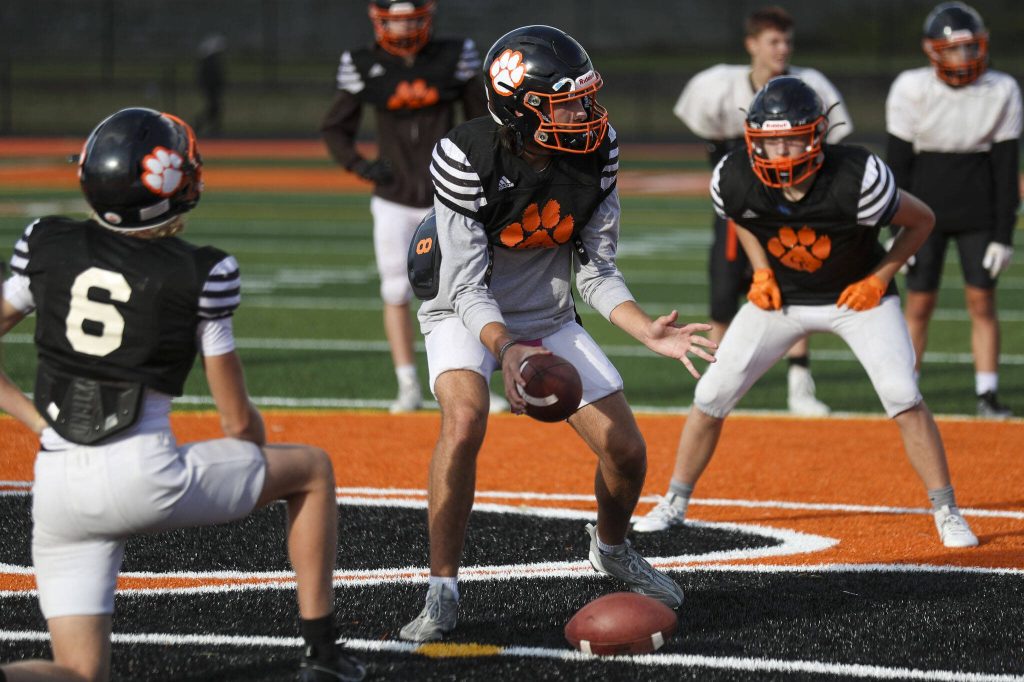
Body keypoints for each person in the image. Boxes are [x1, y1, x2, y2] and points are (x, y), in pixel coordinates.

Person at [0, 109, 365, 682]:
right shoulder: (203, 270)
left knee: (76, 673)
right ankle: (324, 655)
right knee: (312, 470)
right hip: (146, 475)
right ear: (176, 183)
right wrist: (253, 458)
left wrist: (35, 422)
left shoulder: (44, 241)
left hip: (56, 487)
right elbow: (236, 421)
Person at [397, 25, 718, 643]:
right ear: (521, 108)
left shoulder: (599, 150)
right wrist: (507, 349)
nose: (584, 112)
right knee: (464, 420)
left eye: (585, 97)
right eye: (566, 101)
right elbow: (464, 288)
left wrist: (645, 330)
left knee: (626, 451)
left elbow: (596, 272)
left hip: (544, 314)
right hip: (464, 311)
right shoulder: (465, 154)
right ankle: (441, 590)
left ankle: (612, 547)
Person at [632, 77, 978, 549]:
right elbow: (742, 215)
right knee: (712, 393)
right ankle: (674, 500)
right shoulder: (734, 175)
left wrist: (879, 277)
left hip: (856, 299)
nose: (780, 152)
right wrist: (760, 271)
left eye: (792, 138)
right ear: (752, 139)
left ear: (817, 135)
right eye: (770, 141)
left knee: (902, 393)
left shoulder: (856, 176)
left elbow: (922, 220)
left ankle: (946, 509)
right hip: (782, 302)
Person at [671, 5, 854, 417]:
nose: (783, 48)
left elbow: (833, 146)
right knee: (722, 297)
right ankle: (716, 387)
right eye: (774, 40)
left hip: (790, 211)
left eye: (787, 40)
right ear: (752, 44)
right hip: (737, 212)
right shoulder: (721, 87)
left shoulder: (810, 87)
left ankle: (800, 385)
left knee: (793, 294)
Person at [321, 0, 500, 414]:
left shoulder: (455, 55)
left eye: (411, 21)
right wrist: (360, 165)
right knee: (396, 290)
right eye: (395, 22)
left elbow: (482, 118)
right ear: (379, 22)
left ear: (427, 18)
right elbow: (334, 126)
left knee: (471, 287)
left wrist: (481, 169)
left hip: (450, 194)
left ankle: (480, 383)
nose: (403, 30)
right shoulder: (363, 62)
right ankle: (407, 384)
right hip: (393, 198)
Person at [885, 2, 1021, 418]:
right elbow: (897, 167)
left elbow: (1005, 168)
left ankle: (987, 394)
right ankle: (905, 392)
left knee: (982, 302)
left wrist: (1003, 234)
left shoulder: (1002, 88)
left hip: (978, 210)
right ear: (933, 51)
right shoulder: (911, 88)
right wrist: (892, 228)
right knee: (919, 304)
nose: (963, 58)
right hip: (920, 212)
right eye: (954, 49)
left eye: (969, 48)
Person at [194, 33, 227, 137]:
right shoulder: (209, 61)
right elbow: (210, 76)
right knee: (213, 109)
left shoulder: (208, 61)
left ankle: (213, 129)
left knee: (214, 109)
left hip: (213, 88)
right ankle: (201, 126)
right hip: (211, 89)